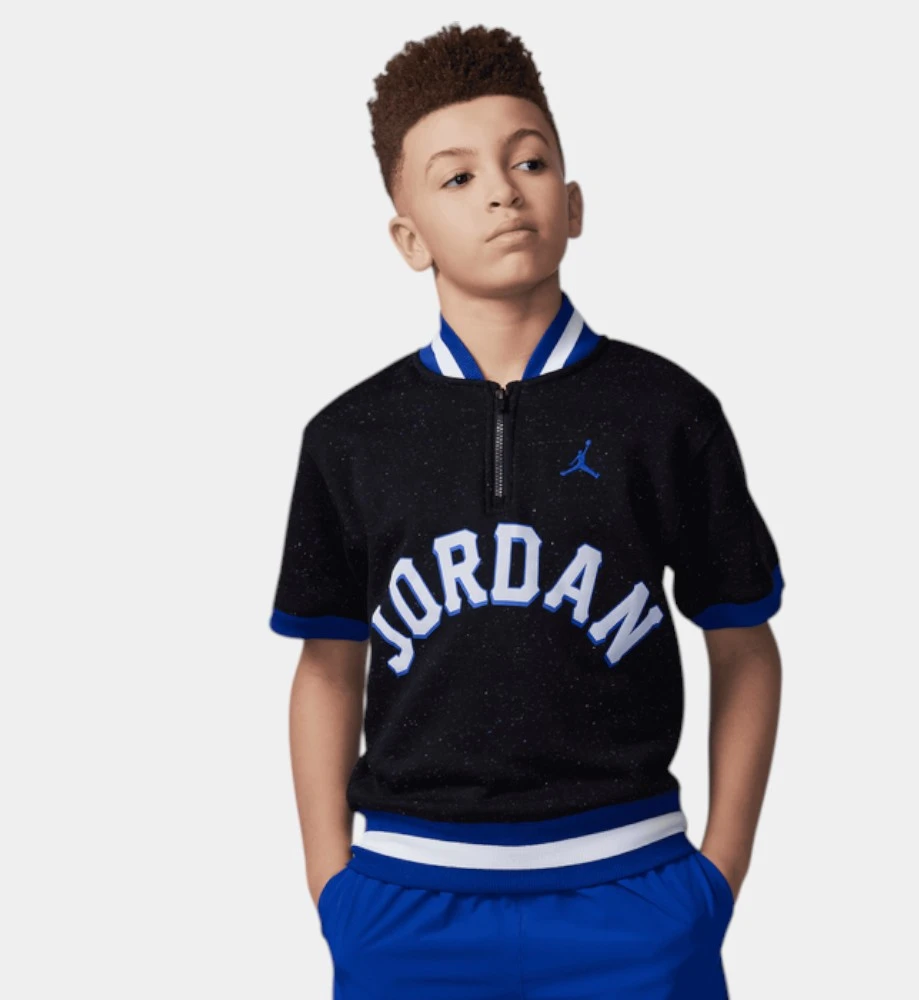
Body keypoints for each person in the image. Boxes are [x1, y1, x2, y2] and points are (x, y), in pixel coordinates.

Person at [269, 22, 785, 999]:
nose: (504, 191)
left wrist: (715, 877)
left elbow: (744, 644)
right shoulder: (350, 435)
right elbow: (328, 667)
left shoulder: (665, 412)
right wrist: (332, 886)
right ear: (408, 237)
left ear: (573, 203)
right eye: (458, 177)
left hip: (633, 893)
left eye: (530, 161)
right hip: (406, 902)